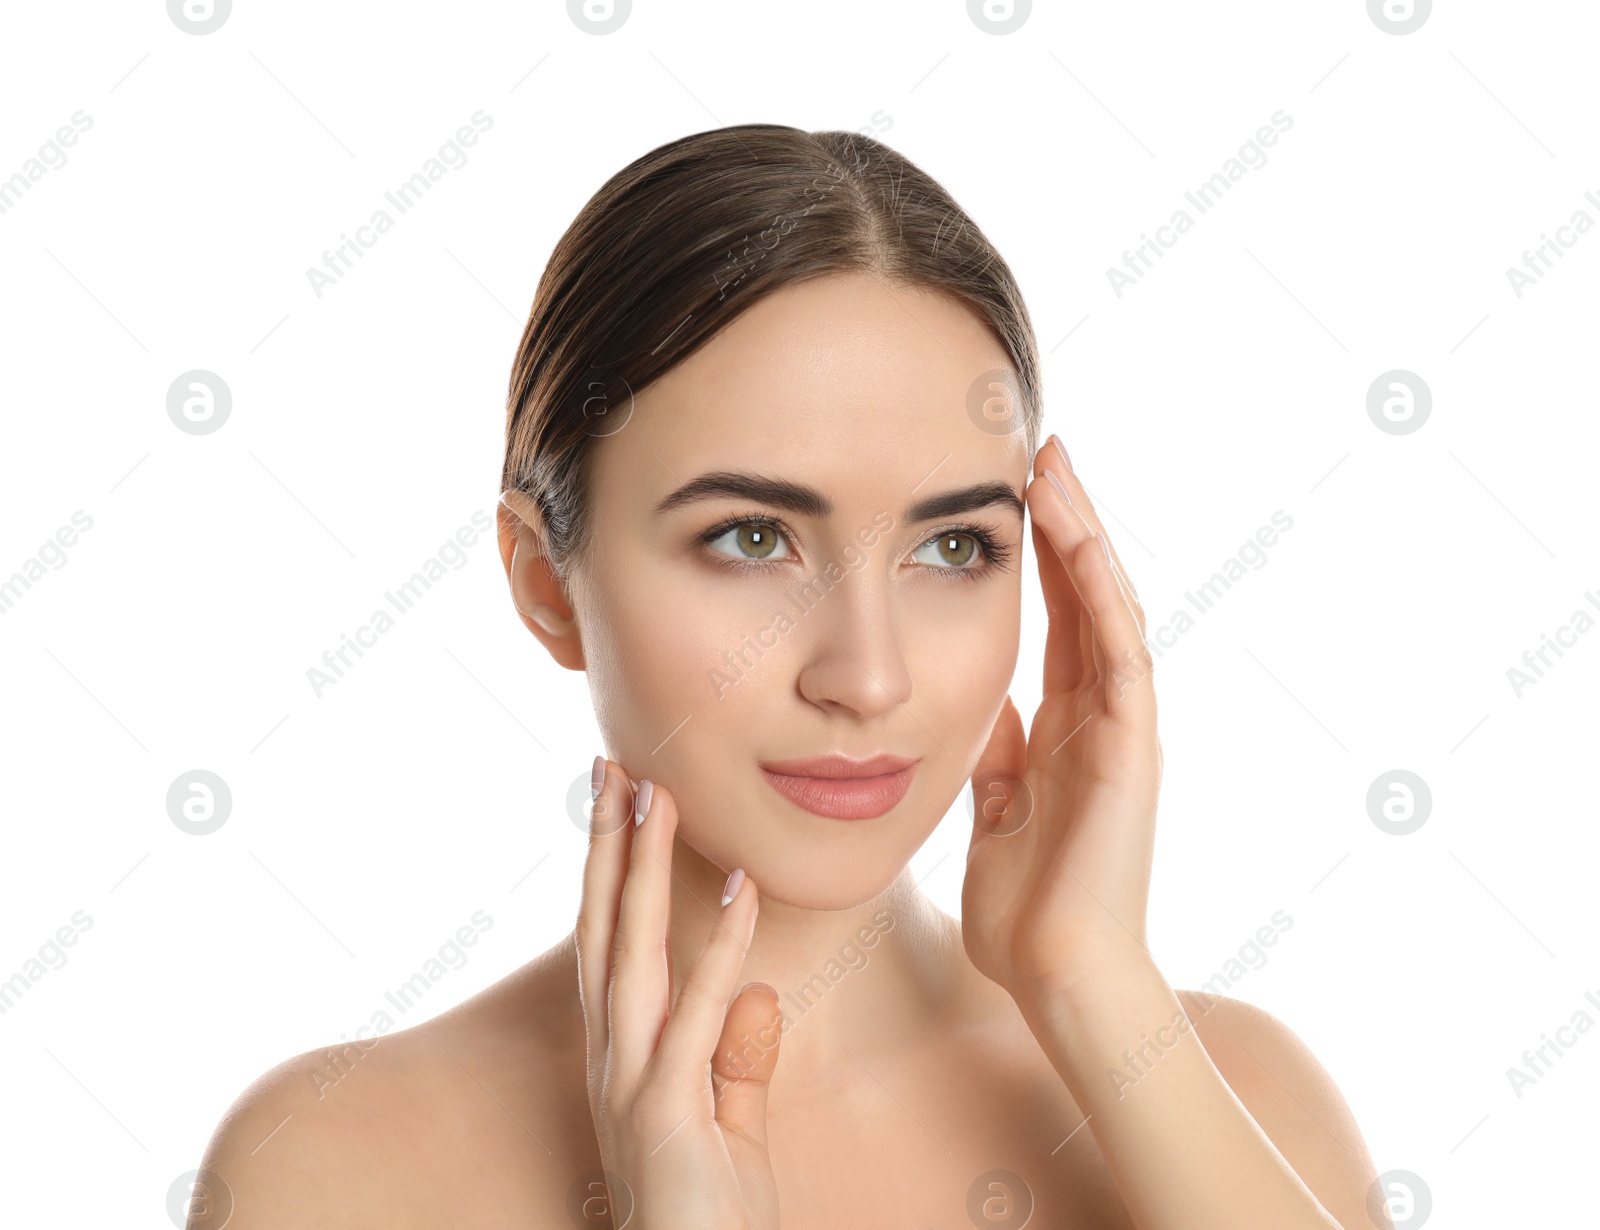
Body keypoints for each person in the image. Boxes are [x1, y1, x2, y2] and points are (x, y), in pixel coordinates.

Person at [190, 125, 1387, 1229]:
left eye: (952, 547)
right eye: (752, 539)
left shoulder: (1238, 1104)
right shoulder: (335, 1170)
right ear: (547, 581)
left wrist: (1094, 987)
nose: (866, 678)